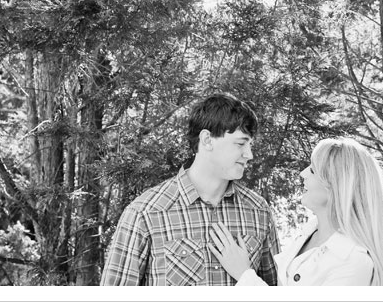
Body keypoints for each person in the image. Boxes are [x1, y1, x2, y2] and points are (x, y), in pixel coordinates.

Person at [100, 94, 280, 286]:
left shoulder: (259, 211)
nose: (249, 154)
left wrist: (245, 275)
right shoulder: (145, 213)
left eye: (250, 145)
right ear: (207, 140)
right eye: (241, 143)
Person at [209, 137, 383, 286]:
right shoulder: (307, 236)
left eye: (312, 170)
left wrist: (244, 274)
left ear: (337, 185)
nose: (303, 173)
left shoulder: (354, 262)